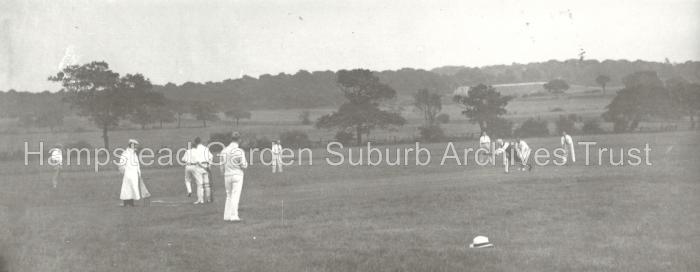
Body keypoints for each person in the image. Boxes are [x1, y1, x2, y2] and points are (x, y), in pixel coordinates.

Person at [220, 132, 248, 222]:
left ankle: (227, 216)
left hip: (227, 175)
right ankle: (234, 216)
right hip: (237, 174)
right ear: (239, 140)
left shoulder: (224, 150)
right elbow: (244, 165)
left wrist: (224, 172)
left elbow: (221, 166)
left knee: (228, 195)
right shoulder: (239, 151)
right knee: (235, 195)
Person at [118, 139, 150, 207]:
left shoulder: (134, 153)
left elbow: (136, 164)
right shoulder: (125, 153)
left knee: (133, 188)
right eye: (135, 145)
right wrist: (125, 173)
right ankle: (126, 203)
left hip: (134, 174)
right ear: (131, 145)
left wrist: (138, 173)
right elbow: (121, 164)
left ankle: (130, 202)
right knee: (127, 188)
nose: (136, 147)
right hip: (128, 174)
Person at [191, 137, 213, 204]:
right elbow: (211, 157)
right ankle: (209, 199)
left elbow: (196, 161)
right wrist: (209, 166)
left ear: (195, 142)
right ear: (201, 141)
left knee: (200, 184)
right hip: (206, 166)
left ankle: (201, 200)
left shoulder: (196, 150)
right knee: (207, 184)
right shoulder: (206, 148)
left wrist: (203, 166)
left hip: (199, 167)